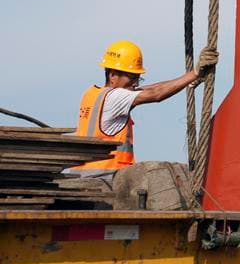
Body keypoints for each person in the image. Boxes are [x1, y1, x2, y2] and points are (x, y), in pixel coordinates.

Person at [73, 40, 217, 174]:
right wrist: (195, 72)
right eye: (132, 77)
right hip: (104, 177)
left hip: (85, 174)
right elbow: (156, 94)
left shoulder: (93, 94)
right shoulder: (116, 97)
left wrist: (189, 79)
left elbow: (149, 89)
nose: (135, 83)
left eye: (137, 78)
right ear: (113, 75)